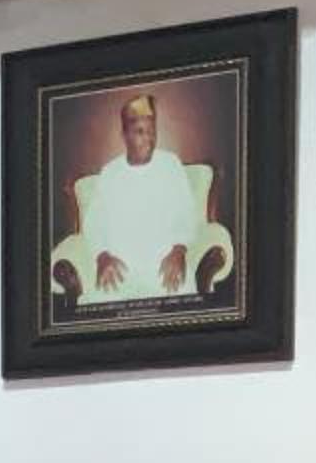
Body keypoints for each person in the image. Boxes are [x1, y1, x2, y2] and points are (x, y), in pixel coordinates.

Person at [65, 93, 210, 304]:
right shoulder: (110, 173)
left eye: (152, 131)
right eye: (140, 132)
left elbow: (187, 213)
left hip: (164, 267)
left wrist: (179, 250)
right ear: (124, 135)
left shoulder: (170, 165)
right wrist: (102, 256)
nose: (149, 139)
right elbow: (94, 223)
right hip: (120, 271)